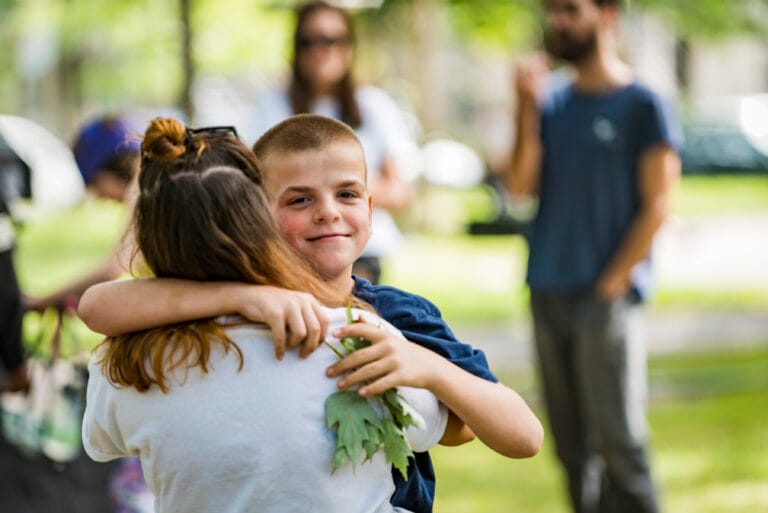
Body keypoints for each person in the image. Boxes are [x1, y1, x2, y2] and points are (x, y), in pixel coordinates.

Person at [79, 114, 544, 513]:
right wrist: (242, 297)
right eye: (299, 200)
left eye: (346, 194)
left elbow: (499, 434)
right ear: (256, 216)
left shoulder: (396, 317)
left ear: (369, 206)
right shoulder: (249, 316)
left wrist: (428, 369)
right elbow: (99, 304)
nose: (327, 213)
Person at [503, 1, 682, 512]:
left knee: (619, 442)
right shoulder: (551, 104)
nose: (557, 20)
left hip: (606, 298)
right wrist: (524, 108)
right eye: (552, 10)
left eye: (570, 9)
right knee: (571, 447)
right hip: (546, 290)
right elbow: (519, 187)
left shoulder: (644, 103)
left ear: (608, 14)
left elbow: (659, 204)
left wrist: (613, 283)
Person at [251, 1, 414, 285]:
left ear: (350, 45)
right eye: (309, 41)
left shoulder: (374, 106)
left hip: (365, 255)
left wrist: (329, 188)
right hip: (293, 252)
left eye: (332, 40)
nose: (321, 50)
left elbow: (400, 190)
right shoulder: (270, 106)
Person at [25, 116, 140, 312]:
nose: (100, 197)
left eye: (95, 184)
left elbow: (115, 266)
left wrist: (42, 301)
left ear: (109, 167)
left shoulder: (142, 189)